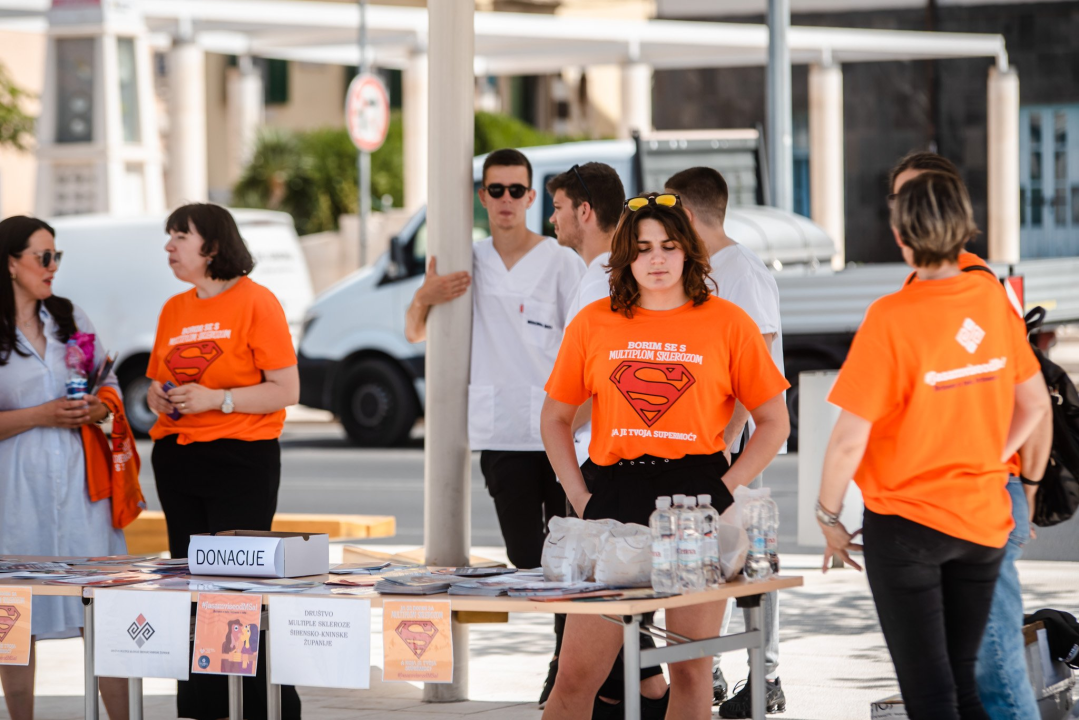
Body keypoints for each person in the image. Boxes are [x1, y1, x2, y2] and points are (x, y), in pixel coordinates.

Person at [541, 193, 790, 719]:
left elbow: (774, 421)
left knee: (692, 671)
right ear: (626, 256)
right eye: (644, 248)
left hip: (698, 498)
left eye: (669, 246)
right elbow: (555, 418)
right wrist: (580, 497)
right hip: (610, 495)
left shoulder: (728, 323)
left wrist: (726, 489)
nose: (657, 259)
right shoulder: (594, 323)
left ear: (689, 252)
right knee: (576, 677)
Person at [817, 172, 1051, 720]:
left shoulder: (891, 318)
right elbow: (1036, 405)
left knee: (930, 696)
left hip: (907, 527)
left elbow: (849, 439)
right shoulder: (993, 300)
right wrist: (991, 456)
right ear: (963, 227)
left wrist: (827, 516)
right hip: (982, 520)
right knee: (964, 685)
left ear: (901, 236)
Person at [405, 148, 585, 707]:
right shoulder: (468, 259)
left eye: (517, 190)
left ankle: (565, 666)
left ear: (533, 197)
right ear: (482, 197)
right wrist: (425, 296)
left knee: (569, 556)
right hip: (500, 430)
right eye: (496, 189)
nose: (506, 200)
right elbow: (413, 332)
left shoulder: (561, 262)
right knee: (527, 556)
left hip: (561, 432)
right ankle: (564, 654)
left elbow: (588, 341)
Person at [888, 151, 1053, 719]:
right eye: (901, 199)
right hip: (934, 505)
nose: (909, 212)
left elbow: (1033, 400)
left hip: (983, 498)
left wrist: (1023, 487)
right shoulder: (918, 288)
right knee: (962, 675)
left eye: (921, 197)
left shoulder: (979, 285)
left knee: (996, 665)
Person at [146, 203, 301, 720]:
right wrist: (161, 399)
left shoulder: (257, 303)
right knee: (192, 588)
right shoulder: (173, 309)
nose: (169, 247)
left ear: (212, 245)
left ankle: (263, 708)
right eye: (168, 237)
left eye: (179, 237)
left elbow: (286, 389)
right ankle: (205, 705)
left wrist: (217, 399)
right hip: (178, 457)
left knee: (237, 594)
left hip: (241, 460)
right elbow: (154, 383)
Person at [548, 163, 670, 719]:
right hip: (609, 477)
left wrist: (581, 499)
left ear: (585, 211)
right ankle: (641, 688)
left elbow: (581, 401)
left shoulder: (602, 284)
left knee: (599, 661)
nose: (552, 218)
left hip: (615, 474)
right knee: (621, 648)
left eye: (556, 206)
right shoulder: (596, 283)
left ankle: (640, 691)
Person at [665, 166, 787, 716]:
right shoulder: (703, 269)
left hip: (736, 448)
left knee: (747, 558)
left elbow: (754, 371)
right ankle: (707, 667)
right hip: (706, 445)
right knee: (705, 559)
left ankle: (766, 675)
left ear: (688, 214)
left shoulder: (744, 273)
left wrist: (728, 441)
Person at [0, 215, 130, 720]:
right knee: (15, 614)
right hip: (15, 485)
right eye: (43, 257)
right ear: (11, 264)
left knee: (100, 606)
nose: (53, 267)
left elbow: (110, 384)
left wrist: (100, 407)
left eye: (57, 257)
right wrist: (42, 415)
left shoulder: (71, 317)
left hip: (80, 483)